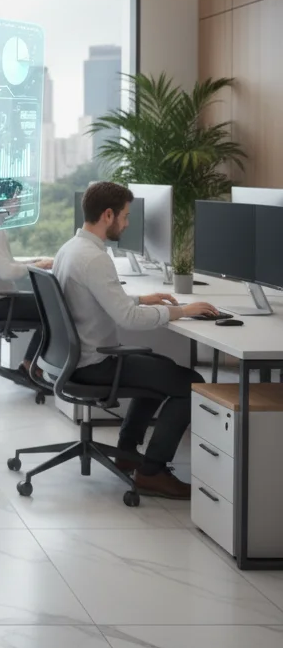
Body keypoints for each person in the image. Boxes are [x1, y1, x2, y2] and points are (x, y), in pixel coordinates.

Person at [52, 181, 218, 499]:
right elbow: (126, 319)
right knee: (190, 382)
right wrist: (183, 310)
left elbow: (101, 299)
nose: (128, 224)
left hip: (75, 360)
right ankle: (152, 471)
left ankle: (128, 452)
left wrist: (143, 299)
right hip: (93, 364)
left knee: (161, 368)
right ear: (108, 215)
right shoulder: (95, 258)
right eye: (125, 216)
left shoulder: (72, 248)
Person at [0, 178, 52, 375]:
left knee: (48, 306)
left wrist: (33, 262)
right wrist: (36, 266)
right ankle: (30, 365)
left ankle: (30, 364)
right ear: (7, 199)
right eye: (17, 196)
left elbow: (6, 264)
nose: (19, 200)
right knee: (55, 311)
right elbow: (6, 272)